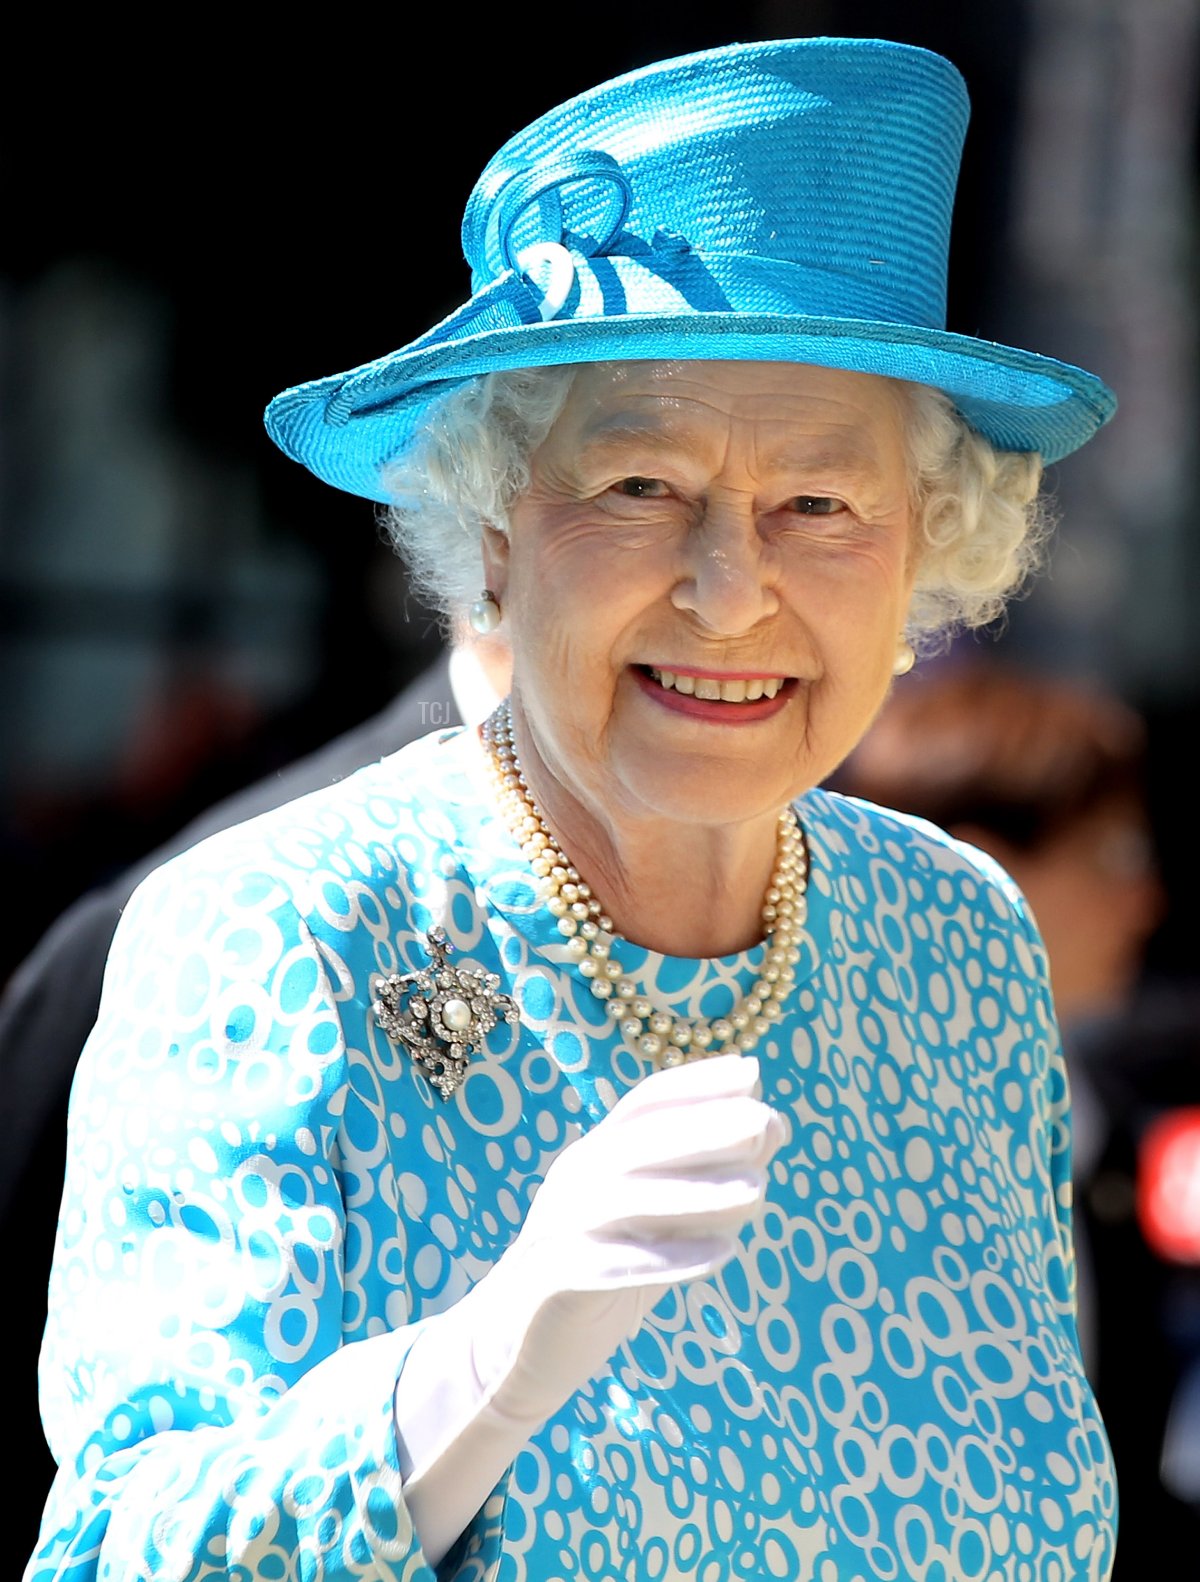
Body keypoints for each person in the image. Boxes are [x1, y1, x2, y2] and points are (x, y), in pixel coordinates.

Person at [28, 39, 1120, 1581]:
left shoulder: (961, 946)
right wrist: (478, 1369)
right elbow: (118, 1550)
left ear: (920, 556)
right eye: (638, 488)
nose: (729, 590)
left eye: (820, 504)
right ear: (490, 531)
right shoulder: (282, 929)